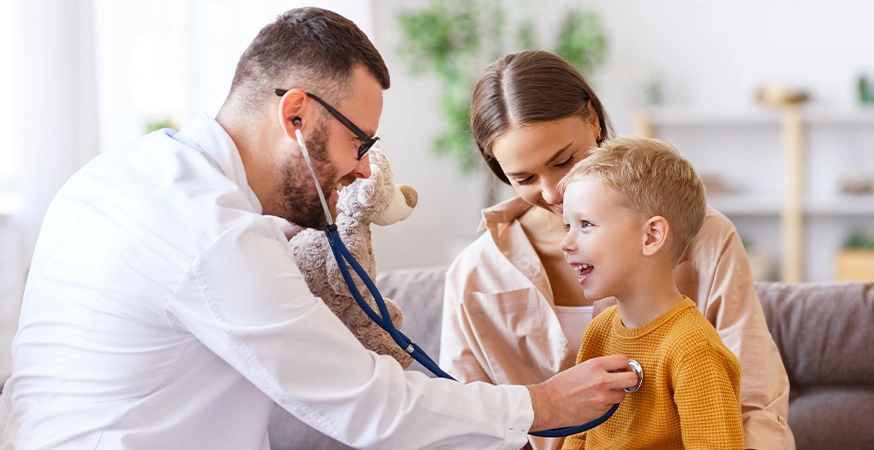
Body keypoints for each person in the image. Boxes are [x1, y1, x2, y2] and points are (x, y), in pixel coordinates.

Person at [0, 9, 638, 450]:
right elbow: (369, 405)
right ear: (297, 114)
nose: (363, 168)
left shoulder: (117, 177)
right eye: (359, 141)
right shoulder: (216, 236)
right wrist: (545, 404)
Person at [440, 50, 794, 450]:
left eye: (564, 161)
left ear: (592, 118)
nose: (554, 192)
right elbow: (466, 426)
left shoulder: (705, 237)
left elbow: (754, 401)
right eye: (523, 178)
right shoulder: (475, 273)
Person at [558, 136, 743, 449]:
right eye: (567, 226)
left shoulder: (693, 349)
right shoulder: (600, 332)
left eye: (585, 224)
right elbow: (580, 432)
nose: (566, 243)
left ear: (652, 236)